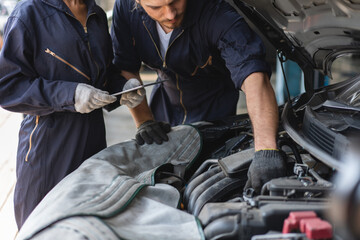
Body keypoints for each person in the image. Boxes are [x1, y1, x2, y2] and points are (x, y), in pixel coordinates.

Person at [111, 0, 287, 194]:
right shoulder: (125, 9)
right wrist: (144, 121)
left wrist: (266, 150)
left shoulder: (216, 14)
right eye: (156, 7)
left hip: (213, 109)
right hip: (164, 106)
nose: (170, 14)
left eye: (175, 1)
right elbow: (126, 66)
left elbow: (253, 76)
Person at [0, 0, 144, 229]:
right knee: (43, 229)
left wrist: (122, 90)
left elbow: (101, 76)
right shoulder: (29, 13)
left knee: (88, 228)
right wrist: (69, 94)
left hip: (94, 149)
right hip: (48, 153)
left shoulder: (95, 14)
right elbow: (8, 87)